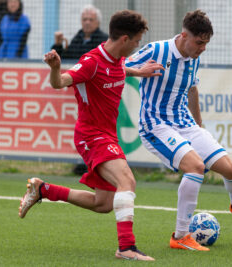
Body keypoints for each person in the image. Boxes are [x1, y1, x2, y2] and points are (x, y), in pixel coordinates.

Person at [18, 10, 163, 261]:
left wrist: (137, 71)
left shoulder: (117, 59)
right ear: (125, 39)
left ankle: (44, 190)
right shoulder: (91, 62)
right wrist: (55, 68)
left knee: (104, 204)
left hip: (106, 135)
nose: (138, 45)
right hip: (91, 136)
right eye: (137, 41)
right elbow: (60, 82)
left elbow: (117, 70)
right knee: (127, 181)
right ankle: (126, 247)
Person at [125, 10, 232, 251]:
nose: (203, 48)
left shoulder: (194, 56)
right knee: (196, 167)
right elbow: (116, 66)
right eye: (199, 42)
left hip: (186, 125)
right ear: (184, 36)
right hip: (156, 126)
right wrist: (139, 72)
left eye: (206, 43)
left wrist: (198, 126)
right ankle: (181, 236)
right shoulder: (156, 50)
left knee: (231, 171)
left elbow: (192, 90)